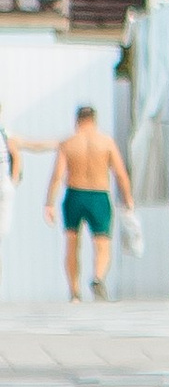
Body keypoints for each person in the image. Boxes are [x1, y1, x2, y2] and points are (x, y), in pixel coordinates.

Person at [47, 104, 135, 305]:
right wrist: (128, 199)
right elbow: (121, 174)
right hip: (99, 195)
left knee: (71, 242)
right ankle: (98, 277)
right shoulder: (106, 142)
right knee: (102, 242)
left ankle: (75, 292)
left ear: (77, 120)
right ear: (94, 120)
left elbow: (57, 176)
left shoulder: (68, 143)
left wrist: (49, 204)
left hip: (75, 194)